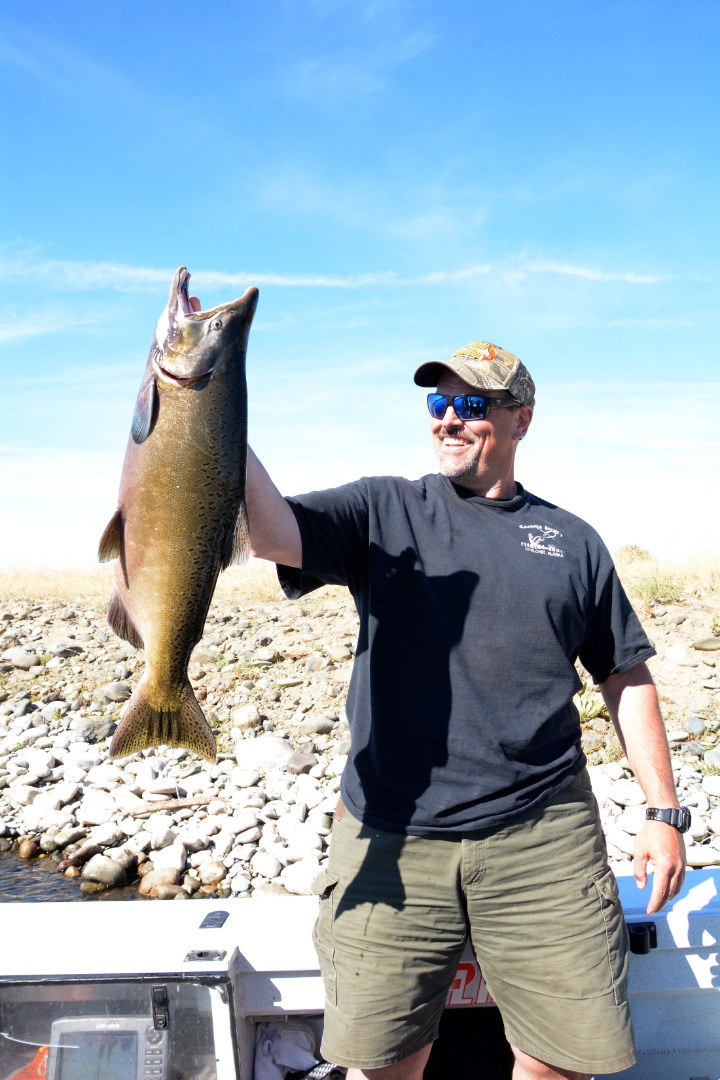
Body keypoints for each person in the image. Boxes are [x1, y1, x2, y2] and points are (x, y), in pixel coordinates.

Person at [243, 337, 687, 1080]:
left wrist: (663, 810)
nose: (449, 420)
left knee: (559, 1062)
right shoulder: (384, 509)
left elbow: (625, 676)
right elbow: (267, 532)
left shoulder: (571, 541)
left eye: (471, 405)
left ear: (521, 420)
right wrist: (209, 405)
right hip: (392, 831)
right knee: (382, 1062)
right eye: (438, 403)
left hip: (543, 834)